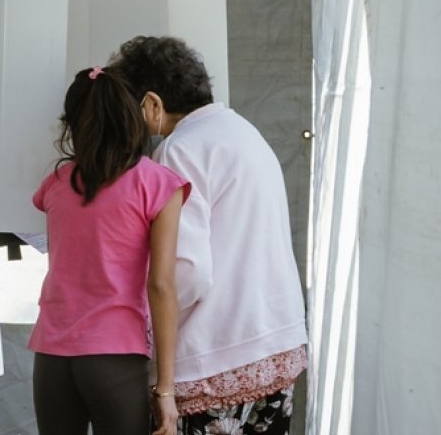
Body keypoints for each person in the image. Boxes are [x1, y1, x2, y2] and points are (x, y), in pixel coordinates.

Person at [109, 36, 308, 435]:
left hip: (215, 356)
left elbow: (185, 273)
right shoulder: (244, 131)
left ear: (151, 103)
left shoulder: (178, 150)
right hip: (275, 343)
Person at [29, 66, 189, 435]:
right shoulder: (158, 183)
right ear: (132, 117)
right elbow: (161, 285)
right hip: (114, 356)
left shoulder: (56, 183)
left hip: (52, 354)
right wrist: (165, 390)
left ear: (71, 124)